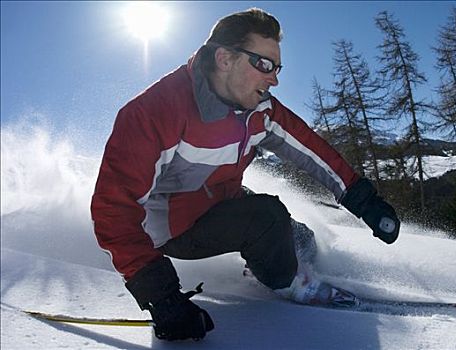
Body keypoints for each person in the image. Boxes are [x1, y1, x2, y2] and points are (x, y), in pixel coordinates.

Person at [91, 8, 400, 342]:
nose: (274, 78)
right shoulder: (154, 112)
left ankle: (269, 268)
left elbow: (313, 152)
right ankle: (291, 284)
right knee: (266, 217)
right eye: (264, 64)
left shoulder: (260, 110)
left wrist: (364, 200)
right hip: (173, 227)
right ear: (225, 59)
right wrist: (161, 295)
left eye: (277, 67)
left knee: (302, 239)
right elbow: (114, 210)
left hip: (223, 202)